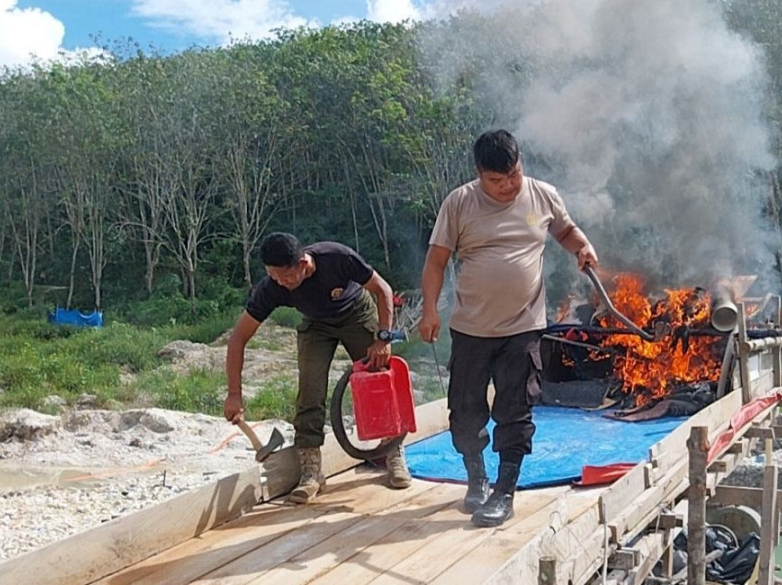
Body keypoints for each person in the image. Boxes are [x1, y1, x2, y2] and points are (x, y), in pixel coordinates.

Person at [419, 129, 598, 527]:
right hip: (471, 327)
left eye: (514, 174)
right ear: (479, 174)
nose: (508, 186)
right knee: (465, 410)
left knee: (515, 409)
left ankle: (504, 492)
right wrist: (429, 310)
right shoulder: (460, 203)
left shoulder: (540, 196)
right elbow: (436, 261)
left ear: (521, 163)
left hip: (523, 326)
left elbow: (564, 231)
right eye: (496, 180)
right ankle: (477, 477)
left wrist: (582, 246)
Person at [225, 232, 412, 503]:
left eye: (285, 276)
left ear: (303, 263)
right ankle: (311, 471)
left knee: (377, 381)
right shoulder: (272, 287)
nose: (280, 282)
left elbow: (382, 289)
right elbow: (238, 338)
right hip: (316, 324)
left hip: (356, 312)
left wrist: (383, 338)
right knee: (310, 390)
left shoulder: (336, 257)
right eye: (273, 276)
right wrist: (234, 394)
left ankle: (393, 452)